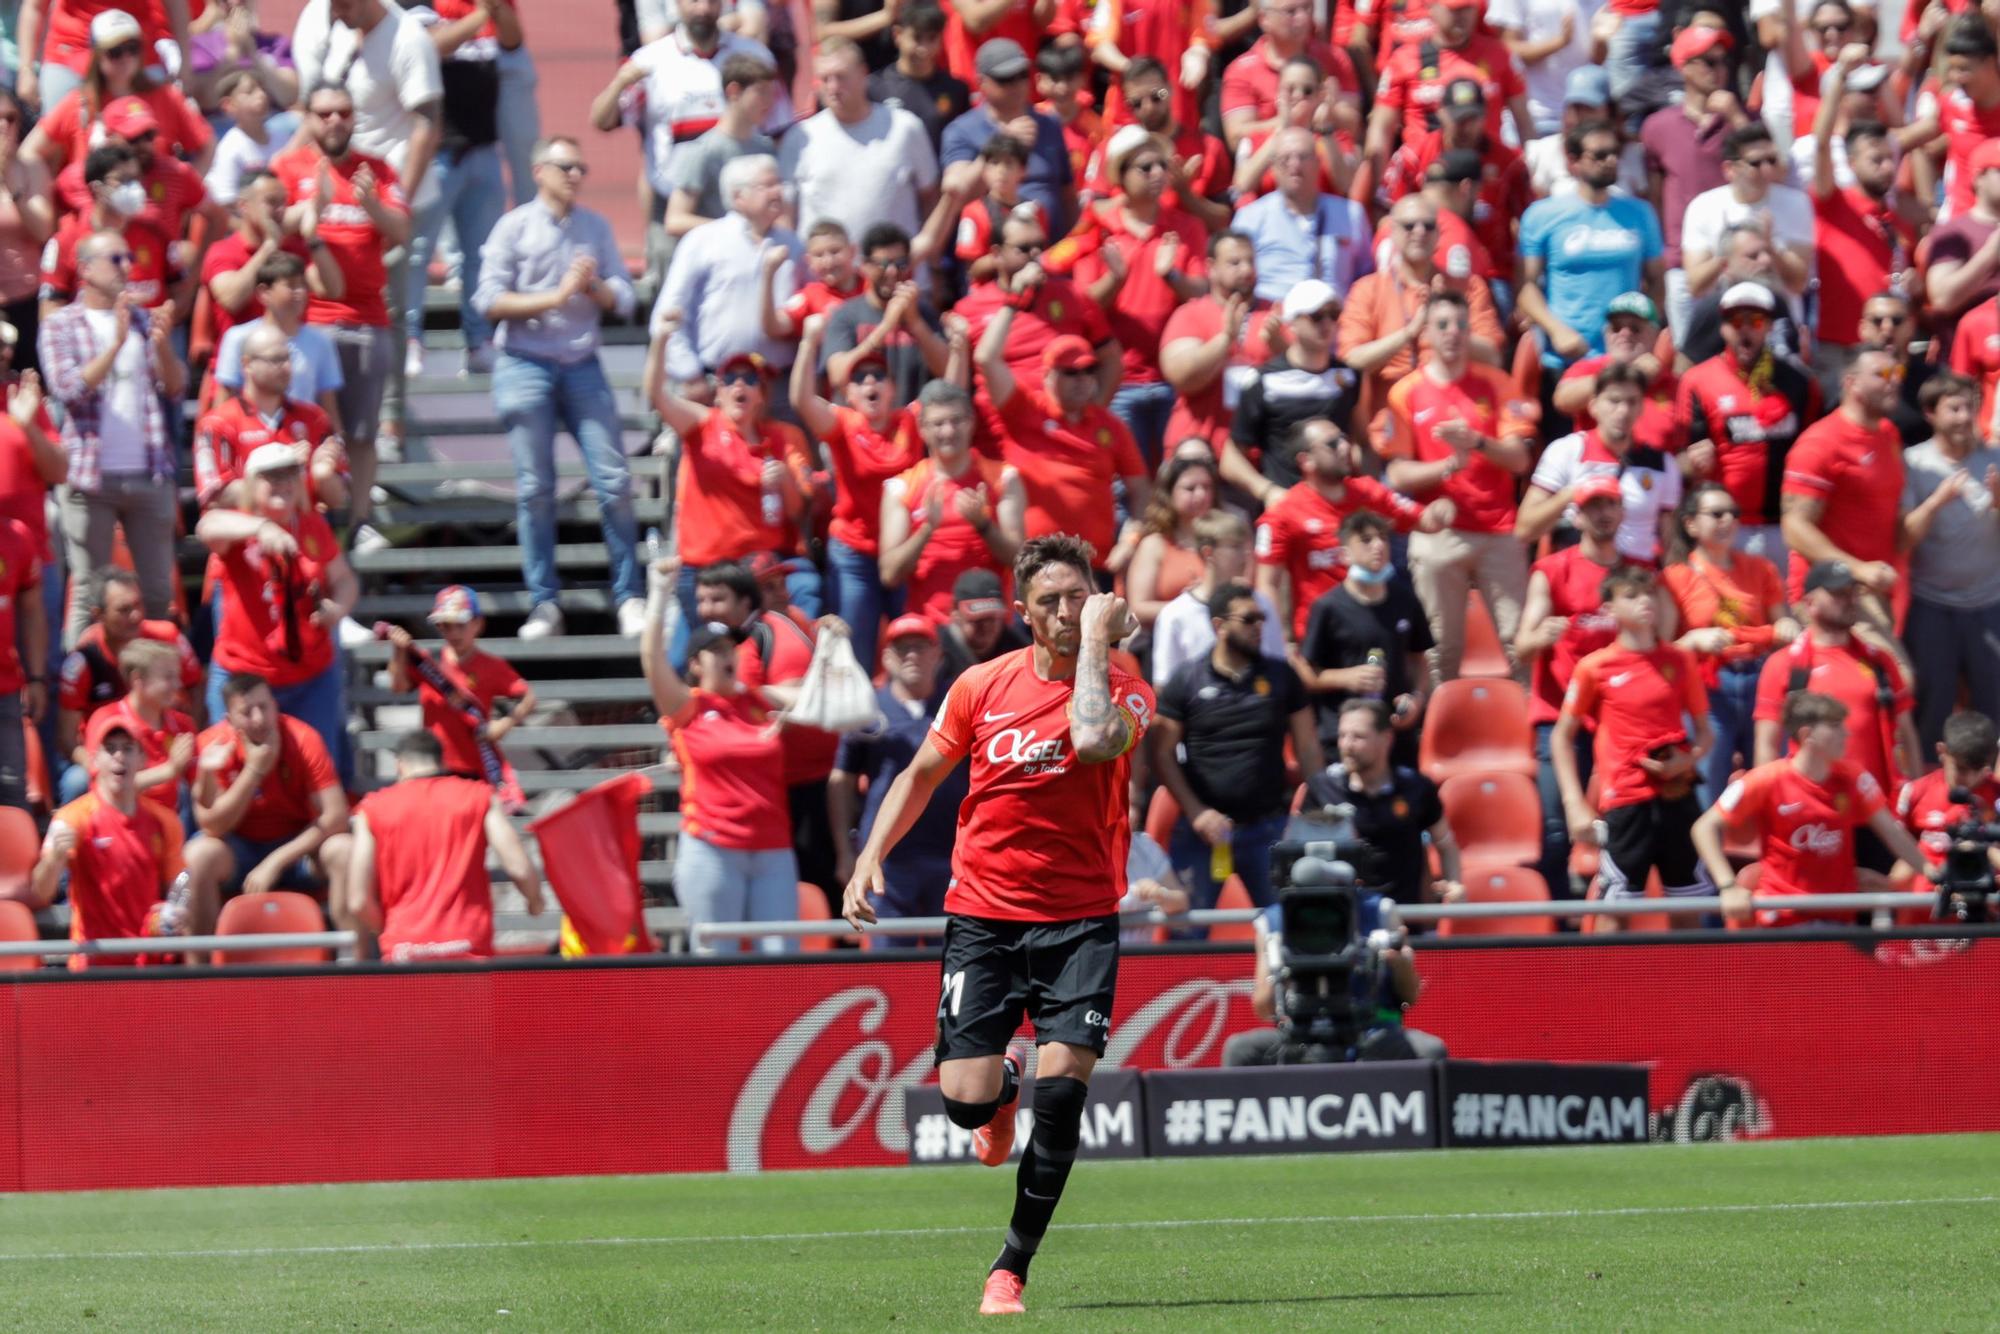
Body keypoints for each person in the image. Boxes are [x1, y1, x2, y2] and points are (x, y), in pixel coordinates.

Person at [841, 535, 1154, 1316]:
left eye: (1076, 597)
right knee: (966, 1103)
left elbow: (1091, 738)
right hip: (983, 913)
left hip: (1081, 918)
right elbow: (919, 775)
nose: (1062, 611)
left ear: (1098, 602)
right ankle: (1001, 1085)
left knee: (1065, 1096)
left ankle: (1010, 1265)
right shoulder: (980, 686)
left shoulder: (1125, 686)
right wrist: (867, 856)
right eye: (1047, 601)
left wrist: (1095, 647)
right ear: (1022, 613)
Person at [475, 134, 644, 642]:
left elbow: (626, 297)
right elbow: (487, 301)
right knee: (535, 490)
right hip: (525, 363)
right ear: (540, 171)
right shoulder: (513, 227)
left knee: (613, 480)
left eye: (580, 168)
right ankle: (544, 602)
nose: (575, 176)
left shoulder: (595, 226)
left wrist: (592, 289)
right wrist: (559, 294)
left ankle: (629, 595)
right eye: (566, 167)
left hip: (581, 361)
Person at [271, 82, 412, 540]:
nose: (335, 121)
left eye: (343, 113)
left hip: (368, 318)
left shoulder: (376, 169)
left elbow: (403, 231)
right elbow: (267, 222)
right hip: (308, 320)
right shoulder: (290, 167)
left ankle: (361, 520)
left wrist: (371, 203)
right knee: (306, 428)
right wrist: (308, 210)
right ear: (309, 118)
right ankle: (308, 515)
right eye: (325, 113)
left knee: (363, 431)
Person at [642, 556, 798, 953]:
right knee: (716, 961)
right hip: (713, 847)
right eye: (715, 650)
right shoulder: (687, 707)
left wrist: (832, 646)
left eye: (730, 647)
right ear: (695, 664)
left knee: (785, 964)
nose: (728, 655)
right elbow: (652, 660)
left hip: (773, 848)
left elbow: (816, 700)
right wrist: (660, 594)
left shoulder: (759, 701)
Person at [1380, 289, 1535, 683]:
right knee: (1438, 651)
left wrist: (1478, 442)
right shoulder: (1405, 392)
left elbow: (1520, 460)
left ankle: (1534, 736)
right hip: (1438, 532)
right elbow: (1397, 474)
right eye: (1443, 325)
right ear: (1426, 333)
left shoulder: (1498, 384)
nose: (1453, 333)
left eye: (1462, 325)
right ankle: (1433, 733)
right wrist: (1449, 466)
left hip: (1498, 529)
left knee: (1521, 643)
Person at [1154, 578, 1324, 930]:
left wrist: (1321, 808)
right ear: (1219, 626)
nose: (1259, 627)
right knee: (1185, 934)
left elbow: (1308, 748)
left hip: (1268, 827)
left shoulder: (1282, 677)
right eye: (1248, 620)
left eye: (1261, 618)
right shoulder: (1185, 680)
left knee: (1290, 931)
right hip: (1201, 833)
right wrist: (1197, 812)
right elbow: (1162, 753)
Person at [39, 229, 184, 642]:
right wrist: (116, 345)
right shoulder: (61, 325)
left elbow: (174, 388)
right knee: (89, 593)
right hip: (90, 477)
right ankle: (79, 691)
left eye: (128, 258)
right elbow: (67, 389)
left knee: (157, 595)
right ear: (85, 269)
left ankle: (157, 687)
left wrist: (164, 348)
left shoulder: (144, 320)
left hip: (148, 473)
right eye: (116, 259)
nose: (128, 266)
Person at [1551, 565, 1712, 923]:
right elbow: (1562, 737)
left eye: (1649, 594)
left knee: (1688, 907)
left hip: (1677, 795)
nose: (1645, 602)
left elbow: (1705, 731)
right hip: (1624, 801)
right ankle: (1610, 980)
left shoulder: (1680, 659)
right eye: (1631, 596)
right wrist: (1575, 803)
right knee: (1616, 910)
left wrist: (1686, 762)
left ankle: (1690, 981)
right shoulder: (1595, 667)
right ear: (1609, 609)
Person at [195, 442, 360, 786]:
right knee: (227, 770)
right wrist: (260, 529)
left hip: (309, 676)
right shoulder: (239, 527)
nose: (282, 483)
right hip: (245, 677)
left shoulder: (312, 525)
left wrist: (337, 608)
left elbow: (344, 580)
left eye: (289, 474)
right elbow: (207, 525)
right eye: (272, 476)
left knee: (316, 772)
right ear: (253, 484)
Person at [588, 0, 781, 291]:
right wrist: (619, 83)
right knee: (673, 306)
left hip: (744, 205)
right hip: (674, 207)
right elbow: (603, 121)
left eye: (712, 2)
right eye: (693, 1)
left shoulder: (753, 56)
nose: (703, 9)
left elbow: (778, 128)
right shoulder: (651, 59)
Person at [650, 325, 818, 653]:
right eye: (730, 379)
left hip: (762, 565)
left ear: (763, 395)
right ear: (718, 392)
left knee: (805, 584)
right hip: (705, 569)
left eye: (751, 379)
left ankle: (801, 665)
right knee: (689, 661)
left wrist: (783, 480)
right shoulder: (701, 425)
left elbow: (800, 512)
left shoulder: (784, 438)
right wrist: (660, 341)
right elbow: (658, 396)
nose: (740, 385)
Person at [1695, 690, 1926, 926]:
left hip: (1838, 919)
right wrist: (1728, 886)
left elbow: (1894, 835)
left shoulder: (1854, 778)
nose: (1846, 733)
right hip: (1782, 920)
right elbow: (1703, 828)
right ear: (1807, 736)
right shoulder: (1766, 780)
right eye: (1835, 726)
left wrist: (1934, 875)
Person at [1753, 560, 1919, 874]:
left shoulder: (1879, 661)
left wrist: (1914, 790)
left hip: (1876, 813)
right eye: (1838, 593)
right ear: (1809, 602)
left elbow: (1907, 733)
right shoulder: (1785, 665)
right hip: (1812, 812)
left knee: (1882, 906)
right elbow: (1766, 743)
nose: (1849, 599)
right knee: (1820, 904)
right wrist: (1771, 805)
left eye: (1852, 592)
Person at [1055, 125, 1209, 462]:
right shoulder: (1097, 226)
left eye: (1162, 166)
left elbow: (1202, 293)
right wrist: (1116, 278)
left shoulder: (1187, 227)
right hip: (1118, 381)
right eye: (1146, 167)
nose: (1158, 174)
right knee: (1125, 486)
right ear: (1120, 175)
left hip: (1174, 381)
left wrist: (1173, 276)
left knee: (1175, 479)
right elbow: (1085, 306)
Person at [1515, 476, 1638, 896]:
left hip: (1620, 717)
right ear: (1577, 515)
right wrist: (1541, 636)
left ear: (1623, 511)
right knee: (1553, 828)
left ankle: (1617, 909)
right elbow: (1522, 647)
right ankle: (1556, 926)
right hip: (1559, 714)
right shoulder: (1552, 570)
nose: (1603, 513)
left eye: (1611, 504)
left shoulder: (1637, 574)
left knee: (1629, 822)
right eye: (1593, 506)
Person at [29, 709, 222, 968]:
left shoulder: (164, 821)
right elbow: (41, 892)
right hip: (94, 965)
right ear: (95, 760)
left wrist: (173, 910)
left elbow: (179, 884)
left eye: (128, 748)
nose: (120, 757)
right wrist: (53, 861)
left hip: (149, 965)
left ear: (142, 758)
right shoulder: (71, 818)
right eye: (110, 749)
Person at [974, 305, 1150, 581]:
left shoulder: (1110, 426)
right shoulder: (1024, 410)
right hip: (1036, 566)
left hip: (1093, 567)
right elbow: (986, 358)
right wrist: (1011, 306)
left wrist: (1130, 541)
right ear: (1047, 376)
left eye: (1089, 370)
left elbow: (1140, 489)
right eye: (1070, 372)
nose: (1082, 379)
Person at [399, 0, 519, 378]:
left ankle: (478, 341)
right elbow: (432, 46)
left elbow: (513, 42)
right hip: (437, 151)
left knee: (480, 255)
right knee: (416, 251)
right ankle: (409, 338)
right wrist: (483, 15)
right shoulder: (418, 4)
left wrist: (497, 12)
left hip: (482, 147)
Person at [828, 613, 967, 940]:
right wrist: (845, 851)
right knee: (888, 963)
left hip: (952, 854)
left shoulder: (959, 700)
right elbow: (841, 779)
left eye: (920, 647)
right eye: (902, 648)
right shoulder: (868, 709)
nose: (912, 656)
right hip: (888, 859)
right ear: (887, 657)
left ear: (938, 654)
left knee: (951, 961)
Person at [1221, 858, 1440, 1065]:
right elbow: (1263, 1008)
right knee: (1240, 1050)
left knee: (1430, 1051)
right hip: (1299, 1034)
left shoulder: (1378, 912)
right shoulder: (1274, 922)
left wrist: (1400, 963)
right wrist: (1279, 968)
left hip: (1368, 1030)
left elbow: (1409, 998)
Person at [347, 729, 541, 961]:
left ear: (400, 765)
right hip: (467, 944)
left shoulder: (372, 809)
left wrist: (385, 928)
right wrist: (535, 901)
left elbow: (358, 900)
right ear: (442, 761)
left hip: (404, 947)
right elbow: (518, 866)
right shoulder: (478, 796)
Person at [1660, 480, 1798, 801]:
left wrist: (1788, 626)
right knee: (1708, 787)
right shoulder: (1675, 576)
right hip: (1708, 687)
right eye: (1717, 513)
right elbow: (1661, 653)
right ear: (1691, 524)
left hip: (1760, 679)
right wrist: (1693, 639)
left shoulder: (1761, 568)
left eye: (1733, 514)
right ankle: (1704, 853)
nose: (1728, 521)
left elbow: (1782, 625)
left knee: (1772, 783)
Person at [1253, 418, 1435, 645]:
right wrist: (1278, 644)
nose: (1345, 447)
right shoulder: (1283, 514)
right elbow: (1267, 584)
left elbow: (1426, 521)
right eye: (1332, 444)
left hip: (1375, 630)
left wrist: (1443, 508)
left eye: (1344, 439)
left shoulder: (1369, 492)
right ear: (1306, 460)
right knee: (1341, 680)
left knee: (1378, 672)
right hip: (1322, 640)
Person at [1676, 282, 1819, 570]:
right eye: (1734, 320)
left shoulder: (1799, 381)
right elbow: (1676, 459)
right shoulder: (1697, 381)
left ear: (1768, 326)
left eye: (1754, 320)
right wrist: (1690, 462)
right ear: (1722, 327)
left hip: (1784, 525)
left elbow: (1813, 452)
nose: (1744, 329)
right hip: (1723, 526)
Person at [1806, 53, 1919, 400]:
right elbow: (1821, 142)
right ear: (1852, 162)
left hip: (1887, 351)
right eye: (1876, 159)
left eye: (1890, 159)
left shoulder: (1902, 225)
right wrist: (1840, 75)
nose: (1886, 167)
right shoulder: (1833, 202)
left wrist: (1916, 287)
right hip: (1838, 350)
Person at [1517, 119, 1667, 380]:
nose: (1610, 160)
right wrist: (1556, 330)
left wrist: (1642, 331)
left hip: (1623, 357)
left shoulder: (1640, 214)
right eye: (1599, 155)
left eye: (1614, 153)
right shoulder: (1542, 215)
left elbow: (1657, 281)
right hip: (1565, 357)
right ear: (1573, 161)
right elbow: (1525, 287)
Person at [189, 670, 353, 908]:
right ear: (229, 719)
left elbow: (337, 816)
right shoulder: (212, 747)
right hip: (238, 849)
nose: (258, 718)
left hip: (298, 849)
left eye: (264, 707)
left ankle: (351, 945)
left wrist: (276, 861)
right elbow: (212, 826)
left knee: (344, 849)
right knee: (200, 854)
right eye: (246, 712)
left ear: (275, 706)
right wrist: (254, 772)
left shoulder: (303, 738)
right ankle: (201, 946)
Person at [1338, 195, 1505, 426]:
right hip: (1392, 418)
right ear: (1392, 233)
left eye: (1428, 226)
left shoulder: (1468, 287)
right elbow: (1353, 359)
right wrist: (1409, 333)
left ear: (1438, 234)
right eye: (1409, 226)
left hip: (1454, 414)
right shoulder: (1368, 289)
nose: (1419, 232)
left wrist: (1446, 322)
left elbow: (1492, 355)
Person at [1898, 373, 2000, 749]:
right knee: (1932, 709)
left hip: (1990, 605)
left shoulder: (1996, 459)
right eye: (1954, 408)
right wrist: (1937, 500)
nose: (1964, 417)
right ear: (1930, 413)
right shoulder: (1914, 462)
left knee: (1994, 710)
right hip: (1932, 606)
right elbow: (1904, 537)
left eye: (1970, 407)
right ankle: (1929, 798)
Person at [1779, 344, 1906, 624]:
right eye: (1882, 373)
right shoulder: (1821, 444)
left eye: (1898, 371)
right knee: (1895, 668)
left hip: (1873, 591)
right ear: (1851, 383)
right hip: (1829, 595)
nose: (1894, 380)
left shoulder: (1888, 434)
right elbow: (1794, 528)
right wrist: (1859, 569)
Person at [1299, 697, 1463, 912]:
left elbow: (1446, 845)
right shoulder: (1321, 789)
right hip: (1344, 919)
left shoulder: (1416, 788)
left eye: (1358, 737)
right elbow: (1296, 853)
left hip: (1405, 916)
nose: (1347, 745)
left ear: (1386, 739)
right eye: (1342, 735)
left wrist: (1454, 884)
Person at [653, 155, 802, 391]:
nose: (777, 192)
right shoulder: (704, 240)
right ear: (738, 196)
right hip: (718, 385)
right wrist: (690, 375)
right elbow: (669, 312)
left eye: (779, 184)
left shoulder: (794, 246)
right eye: (767, 186)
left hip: (779, 387)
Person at [55, 567, 201, 802]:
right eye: (124, 610)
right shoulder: (84, 660)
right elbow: (67, 738)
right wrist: (99, 766)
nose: (136, 616)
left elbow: (195, 685)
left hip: (163, 744)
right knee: (76, 781)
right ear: (98, 614)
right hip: (108, 752)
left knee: (188, 780)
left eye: (139, 605)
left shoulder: (168, 637)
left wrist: (186, 739)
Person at [1638, 24, 1746, 336]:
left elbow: (1768, 170)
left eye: (1724, 61)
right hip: (1682, 262)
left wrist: (1736, 117)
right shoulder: (1657, 127)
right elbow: (1655, 196)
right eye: (1709, 62)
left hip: (1737, 259)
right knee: (1688, 351)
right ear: (1684, 66)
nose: (1720, 70)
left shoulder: (1744, 118)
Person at [193, 323, 351, 534]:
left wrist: (322, 473)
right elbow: (214, 496)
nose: (286, 367)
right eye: (275, 360)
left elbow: (338, 498)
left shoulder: (314, 418)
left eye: (288, 358)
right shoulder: (217, 423)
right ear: (247, 364)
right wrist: (283, 464)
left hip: (306, 549)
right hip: (244, 551)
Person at [780, 35, 937, 243]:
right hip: (823, 271)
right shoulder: (800, 137)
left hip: (893, 269)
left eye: (841, 77)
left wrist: (927, 257)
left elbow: (930, 196)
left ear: (863, 74)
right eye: (824, 79)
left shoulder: (904, 128)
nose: (833, 88)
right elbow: (786, 213)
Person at [1520, 363, 1682, 563]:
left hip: (1637, 580)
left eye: (1632, 402)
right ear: (1594, 406)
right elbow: (1524, 529)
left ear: (1641, 408)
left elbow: (1670, 540)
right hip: (1580, 572)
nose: (1623, 411)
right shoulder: (1567, 450)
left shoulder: (1662, 463)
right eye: (1614, 401)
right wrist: (1570, 495)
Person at [22, 8, 212, 175]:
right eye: (115, 51)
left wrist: (186, 194)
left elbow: (207, 146)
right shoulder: (79, 102)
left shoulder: (166, 97)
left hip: (157, 207)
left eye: (132, 48)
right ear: (97, 56)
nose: (126, 57)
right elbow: (29, 151)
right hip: (95, 209)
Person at [1223, 278, 1363, 500]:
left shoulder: (1348, 376)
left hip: (1337, 508)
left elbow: (1360, 441)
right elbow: (1230, 458)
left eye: (1333, 314)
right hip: (1286, 509)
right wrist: (1268, 492)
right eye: (1316, 316)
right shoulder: (1263, 380)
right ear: (1293, 323)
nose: (1327, 323)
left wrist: (1367, 491)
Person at [383, 584, 535, 787]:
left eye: (460, 624)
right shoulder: (429, 663)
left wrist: (503, 725)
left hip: (474, 766)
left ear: (478, 624)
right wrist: (399, 651)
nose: (453, 633)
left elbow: (529, 697)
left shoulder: (492, 666)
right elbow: (398, 687)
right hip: (432, 765)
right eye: (445, 625)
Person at [1366, 0, 1534, 165]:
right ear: (1430, 7)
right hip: (1428, 174)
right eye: (1453, 9)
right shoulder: (1403, 60)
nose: (1462, 16)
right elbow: (1381, 129)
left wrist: (1531, 168)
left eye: (1468, 8)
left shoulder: (1500, 55)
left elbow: (1524, 124)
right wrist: (1373, 177)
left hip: (1486, 172)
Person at [939, 39, 1074, 238]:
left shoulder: (1049, 124)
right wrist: (1002, 142)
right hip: (991, 258)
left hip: (1049, 256)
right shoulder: (961, 130)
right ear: (981, 82)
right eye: (1005, 78)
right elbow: (957, 194)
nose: (1017, 85)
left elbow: (1067, 195)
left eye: (1022, 75)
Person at [1156, 231, 1275, 457]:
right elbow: (1181, 375)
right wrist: (1225, 340)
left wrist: (1280, 346)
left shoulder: (1274, 314)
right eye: (1235, 263)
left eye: (1251, 261)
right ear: (1210, 267)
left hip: (1259, 459)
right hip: (1199, 457)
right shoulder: (1190, 314)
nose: (1247, 270)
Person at [201, 168, 343, 354]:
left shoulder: (292, 249)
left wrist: (312, 238)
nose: (281, 210)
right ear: (244, 206)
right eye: (271, 202)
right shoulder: (223, 251)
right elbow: (231, 299)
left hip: (287, 365)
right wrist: (269, 246)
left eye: (284, 202)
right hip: (240, 367)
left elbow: (333, 289)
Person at [1230, 126, 1372, 307]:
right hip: (1272, 321)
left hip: (1334, 323)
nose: (1295, 165)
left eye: (1303, 157)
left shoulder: (1351, 214)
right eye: (1285, 159)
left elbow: (1366, 275)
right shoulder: (1250, 217)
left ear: (1318, 161)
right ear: (1272, 167)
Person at [821, 222, 949, 409]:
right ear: (865, 266)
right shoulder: (846, 315)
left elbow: (946, 370)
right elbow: (838, 376)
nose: (892, 272)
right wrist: (886, 327)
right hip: (864, 431)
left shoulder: (924, 313)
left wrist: (915, 322)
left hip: (912, 428)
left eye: (900, 264)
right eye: (883, 264)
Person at [1151, 509, 1284, 689]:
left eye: (1245, 547)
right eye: (1235, 546)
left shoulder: (1261, 605)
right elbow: (1164, 684)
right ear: (1208, 553)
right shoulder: (1175, 615)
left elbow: (1279, 667)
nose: (1246, 554)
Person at [211, 253, 346, 427]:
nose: (300, 293)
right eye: (291, 286)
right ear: (264, 292)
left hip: (301, 437)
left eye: (303, 285)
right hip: (250, 437)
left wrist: (335, 443)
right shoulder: (238, 337)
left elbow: (329, 409)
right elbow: (224, 400)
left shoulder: (320, 342)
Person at [664, 53, 778, 245]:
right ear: (734, 91)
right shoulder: (702, 151)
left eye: (771, 92)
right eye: (761, 91)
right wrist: (735, 231)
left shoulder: (765, 148)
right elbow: (675, 220)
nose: (769, 101)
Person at [1524, 66, 1649, 200]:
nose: (1581, 116)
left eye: (1589, 108)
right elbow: (1535, 212)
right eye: (1576, 107)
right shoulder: (1543, 152)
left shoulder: (1634, 154)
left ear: (1609, 110)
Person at [1899, 710, 2000, 874]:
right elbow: (1900, 855)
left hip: (1986, 894)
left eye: (1979, 770)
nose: (1971, 779)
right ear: (1942, 751)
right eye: (1961, 769)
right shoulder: (1916, 792)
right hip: (1929, 894)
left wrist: (1983, 849)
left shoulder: (1997, 796)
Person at [1124, 456, 1217, 630]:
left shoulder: (1224, 541)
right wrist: (1192, 606)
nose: (1201, 494)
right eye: (1190, 488)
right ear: (1169, 493)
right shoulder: (1154, 545)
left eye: (1207, 487)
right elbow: (1139, 607)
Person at [868, 3, 969, 155]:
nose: (924, 48)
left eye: (932, 38)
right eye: (917, 38)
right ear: (897, 35)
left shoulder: (956, 90)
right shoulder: (874, 88)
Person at [0, 89, 51, 365]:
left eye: (11, 118)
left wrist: (11, 181)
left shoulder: (32, 168)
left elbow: (43, 230)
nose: (4, 126)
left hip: (27, 298)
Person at [0, 497, 39, 811]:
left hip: (6, 687)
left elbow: (32, 612)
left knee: (13, 795)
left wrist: (37, 677)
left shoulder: (17, 536)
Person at [936, 566, 1027, 686]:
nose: (985, 628)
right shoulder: (936, 652)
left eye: (991, 619)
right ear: (955, 611)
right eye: (977, 620)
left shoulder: (1019, 649)